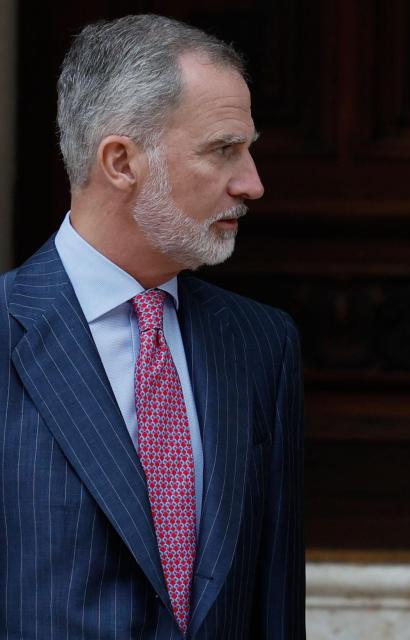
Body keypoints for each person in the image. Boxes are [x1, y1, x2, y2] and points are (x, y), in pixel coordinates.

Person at [0, 14, 304, 638]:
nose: (252, 183)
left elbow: (273, 603)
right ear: (121, 161)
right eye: (223, 149)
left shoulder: (261, 343)